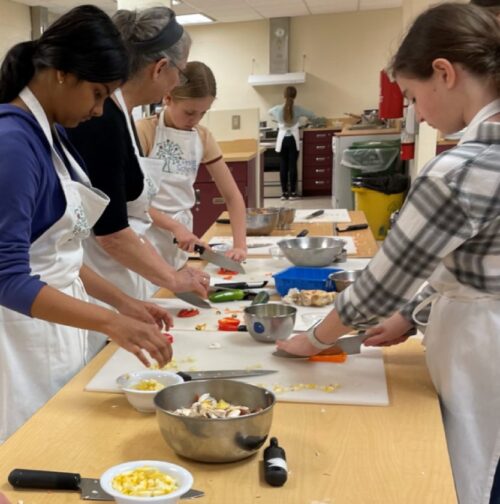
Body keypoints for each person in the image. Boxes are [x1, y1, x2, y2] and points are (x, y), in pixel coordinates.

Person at [277, 4, 500, 503]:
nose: (418, 113)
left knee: (478, 473)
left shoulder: (462, 169)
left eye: (415, 97)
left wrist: (313, 340)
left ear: (444, 73)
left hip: (484, 354)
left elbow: (379, 287)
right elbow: (481, 269)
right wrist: (413, 316)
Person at [0, 5, 174, 443]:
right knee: (33, 454)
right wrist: (109, 322)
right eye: (97, 93)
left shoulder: (50, 135)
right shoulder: (13, 145)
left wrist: (123, 304)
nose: (99, 110)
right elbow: (7, 277)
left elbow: (58, 252)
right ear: (61, 73)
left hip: (58, 327)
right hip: (21, 339)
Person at [66, 7, 209, 329]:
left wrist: (170, 274)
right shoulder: (101, 120)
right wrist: (172, 277)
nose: (177, 82)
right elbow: (112, 234)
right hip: (100, 283)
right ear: (160, 68)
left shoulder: (120, 114)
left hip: (120, 278)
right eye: (180, 72)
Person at [135, 61, 247, 270]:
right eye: (189, 112)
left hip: (181, 236)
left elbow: (232, 196)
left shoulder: (202, 137)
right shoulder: (143, 132)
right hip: (145, 234)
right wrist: (173, 226)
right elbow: (132, 201)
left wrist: (240, 245)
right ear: (168, 98)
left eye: (203, 113)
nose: (195, 120)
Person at [268, 86, 315, 200]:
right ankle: (293, 193)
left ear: (284, 96)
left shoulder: (277, 109)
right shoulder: (298, 109)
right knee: (292, 165)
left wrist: (278, 121)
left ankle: (284, 193)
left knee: (283, 166)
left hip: (282, 139)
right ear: (295, 96)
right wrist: (305, 121)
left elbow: (269, 112)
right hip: (293, 139)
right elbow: (312, 115)